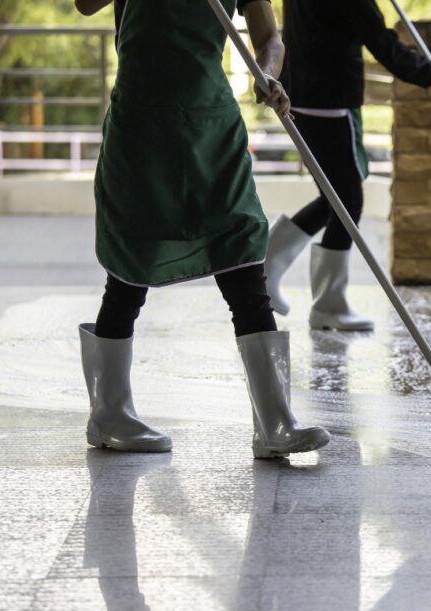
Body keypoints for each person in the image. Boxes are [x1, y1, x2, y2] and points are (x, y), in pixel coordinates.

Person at [74, 0, 329, 458]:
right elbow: (85, 4)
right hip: (143, 128)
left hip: (212, 126)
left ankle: (275, 423)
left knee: (244, 259)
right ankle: (109, 414)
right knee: (131, 267)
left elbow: (270, 39)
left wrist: (267, 74)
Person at [264, 0, 431, 331]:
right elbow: (378, 38)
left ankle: (268, 270)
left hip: (303, 94)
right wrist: (426, 69)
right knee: (347, 201)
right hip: (330, 99)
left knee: (335, 198)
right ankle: (328, 304)